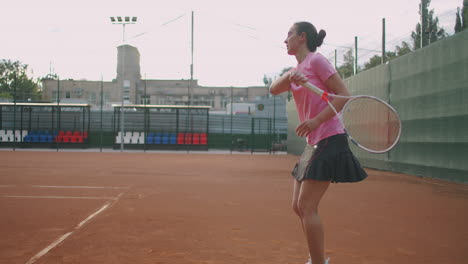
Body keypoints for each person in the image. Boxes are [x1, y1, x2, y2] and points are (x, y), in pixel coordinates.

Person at [269, 22, 367, 264]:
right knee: (298, 206)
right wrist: (291, 75)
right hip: (314, 142)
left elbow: (343, 95)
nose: (285, 39)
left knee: (306, 205)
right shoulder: (298, 69)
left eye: (289, 34)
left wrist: (315, 121)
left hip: (329, 137)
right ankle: (316, 259)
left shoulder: (316, 61)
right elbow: (273, 89)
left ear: (302, 37)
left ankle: (318, 262)